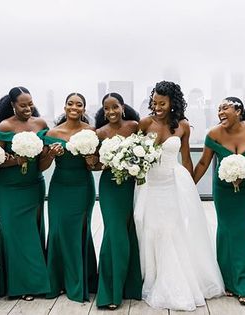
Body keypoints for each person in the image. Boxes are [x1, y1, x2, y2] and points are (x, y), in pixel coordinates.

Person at [134, 81, 224, 311]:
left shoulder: (183, 125)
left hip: (174, 183)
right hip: (150, 185)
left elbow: (186, 159)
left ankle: (175, 278)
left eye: (162, 103)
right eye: (154, 102)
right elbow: (133, 153)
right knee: (150, 227)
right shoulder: (144, 123)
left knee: (173, 229)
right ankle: (152, 277)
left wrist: (190, 187)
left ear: (172, 102)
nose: (157, 107)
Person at [193, 97, 245, 304]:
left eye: (225, 108)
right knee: (226, 231)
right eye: (218, 109)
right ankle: (227, 281)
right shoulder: (214, 133)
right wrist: (189, 184)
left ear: (238, 110)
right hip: (224, 190)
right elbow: (204, 163)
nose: (220, 112)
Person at [0, 86, 50, 300]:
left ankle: (35, 281)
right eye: (22, 104)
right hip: (9, 189)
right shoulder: (5, 126)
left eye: (30, 103)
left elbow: (43, 164)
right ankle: (22, 285)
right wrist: (18, 160)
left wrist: (48, 154)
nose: (27, 108)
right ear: (12, 105)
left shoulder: (41, 124)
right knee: (15, 235)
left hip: (34, 184)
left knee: (32, 233)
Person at [40, 92, 98, 302]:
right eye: (70, 104)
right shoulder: (52, 133)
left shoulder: (91, 131)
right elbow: (42, 166)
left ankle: (81, 281)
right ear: (64, 107)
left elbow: (95, 164)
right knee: (56, 231)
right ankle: (56, 282)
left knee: (79, 231)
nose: (74, 107)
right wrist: (50, 154)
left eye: (79, 104)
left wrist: (90, 159)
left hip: (83, 186)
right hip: (59, 187)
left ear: (84, 109)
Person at [93, 93, 142, 309]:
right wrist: (94, 161)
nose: (111, 112)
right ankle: (110, 291)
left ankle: (130, 286)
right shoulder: (99, 132)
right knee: (114, 233)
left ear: (122, 107)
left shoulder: (134, 126)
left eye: (115, 107)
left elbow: (145, 153)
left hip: (132, 185)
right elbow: (94, 165)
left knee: (129, 230)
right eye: (107, 108)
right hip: (110, 186)